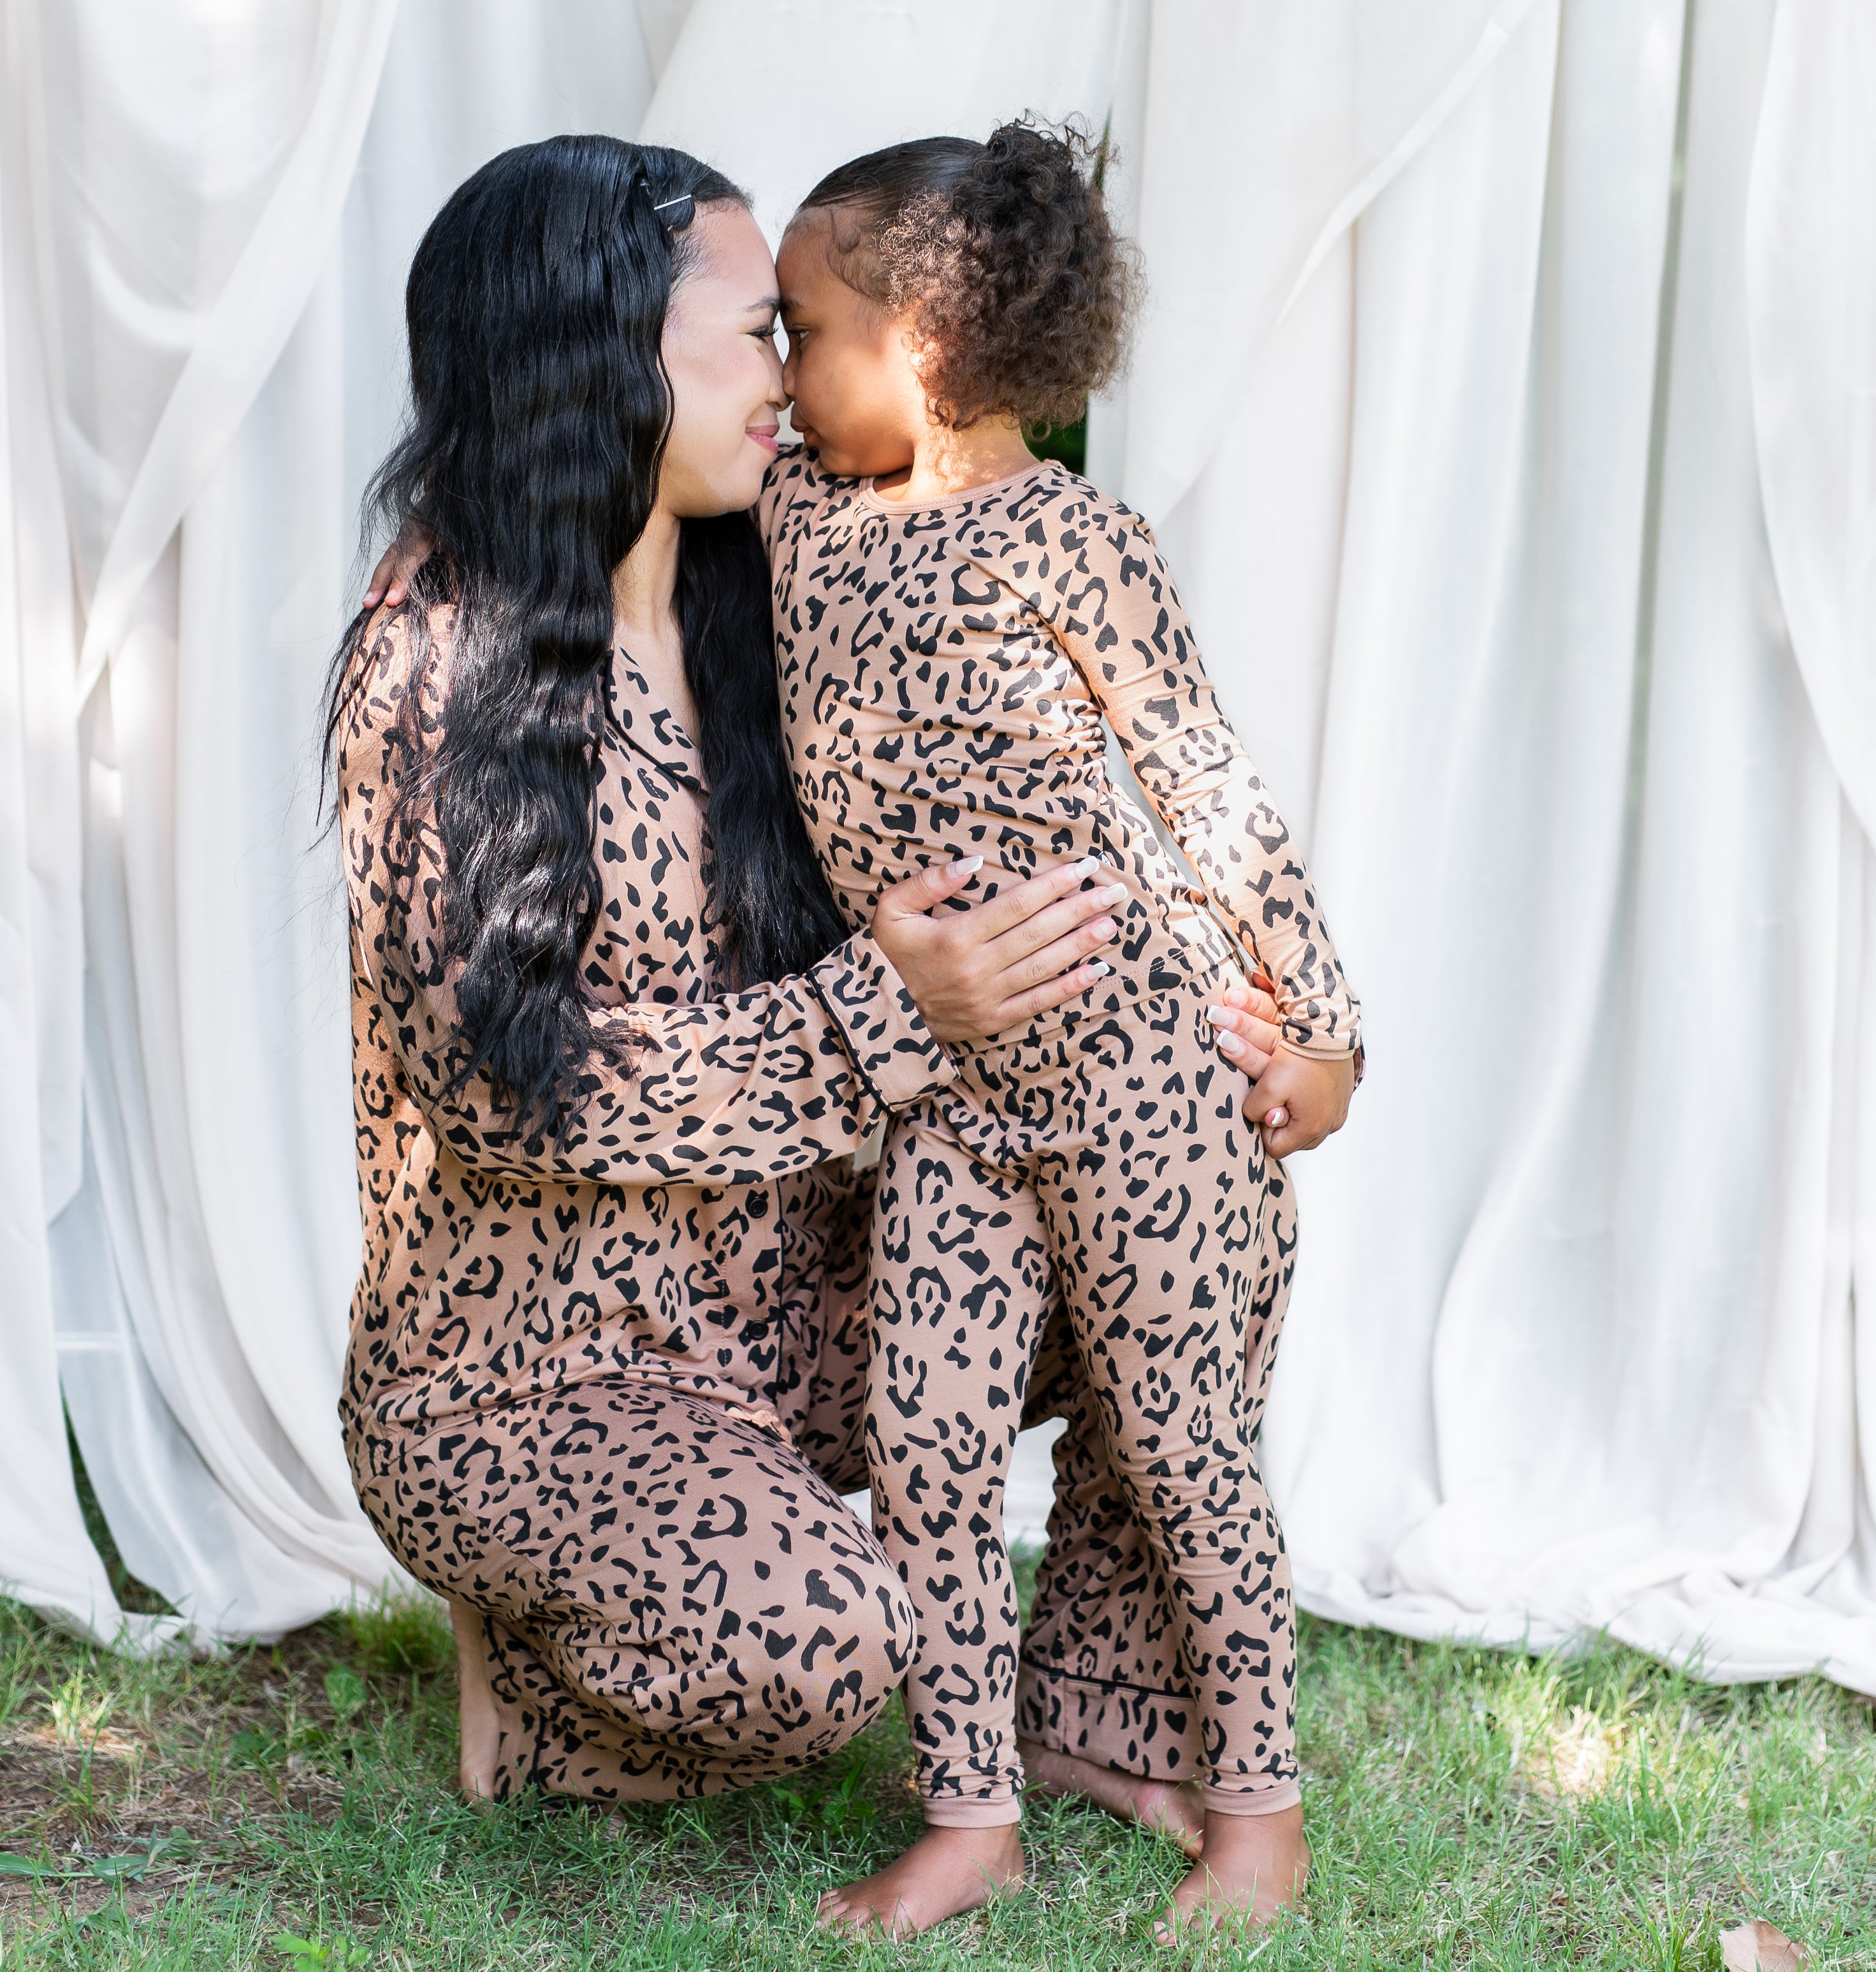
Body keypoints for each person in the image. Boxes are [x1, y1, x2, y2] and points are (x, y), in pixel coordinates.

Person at [331, 133, 1157, 1815]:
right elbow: (510, 1095)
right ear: (603, 344)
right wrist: (890, 1012)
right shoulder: (438, 662)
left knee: (1162, 1206)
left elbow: (1004, 577)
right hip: (535, 1377)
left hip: (775, 1306)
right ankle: (547, 1680)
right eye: (753, 327)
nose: (790, 366)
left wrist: (1163, 997)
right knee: (820, 1646)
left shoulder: (773, 561)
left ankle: (1083, 1704)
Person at [761, 122, 1363, 1939]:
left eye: (805, 331)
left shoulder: (1078, 538)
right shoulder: (794, 511)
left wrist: (1323, 1033)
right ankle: (973, 1811)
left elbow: (1203, 784)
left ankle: (1258, 1814)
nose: (781, 373)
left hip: (1142, 1086)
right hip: (946, 1096)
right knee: (926, 1437)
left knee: (1184, 1449)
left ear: (922, 351)